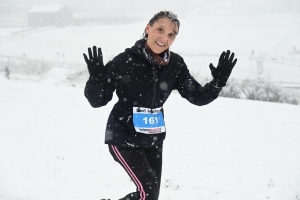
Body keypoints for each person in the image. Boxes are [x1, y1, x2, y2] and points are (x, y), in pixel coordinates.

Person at [83, 10, 237, 200]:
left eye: (171, 34)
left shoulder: (175, 65)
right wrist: (96, 79)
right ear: (148, 28)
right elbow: (97, 100)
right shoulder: (124, 61)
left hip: (153, 139)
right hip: (123, 136)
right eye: (160, 30)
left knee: (150, 196)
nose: (164, 38)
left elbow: (197, 96)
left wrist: (217, 83)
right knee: (147, 192)